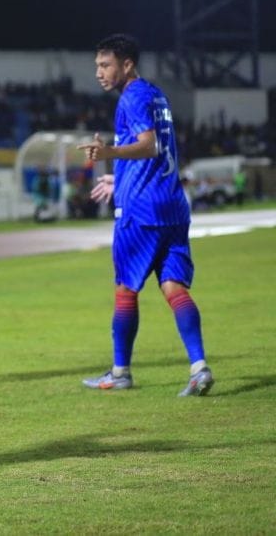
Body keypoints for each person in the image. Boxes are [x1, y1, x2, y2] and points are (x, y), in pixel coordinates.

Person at [78, 34, 212, 397]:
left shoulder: (131, 97)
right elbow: (158, 151)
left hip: (141, 212)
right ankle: (199, 367)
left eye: (105, 65)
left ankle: (120, 372)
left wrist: (109, 154)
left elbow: (148, 145)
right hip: (172, 205)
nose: (99, 73)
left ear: (127, 65)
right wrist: (119, 178)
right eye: (97, 66)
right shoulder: (156, 94)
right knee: (174, 287)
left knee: (125, 289)